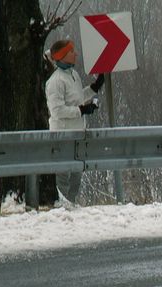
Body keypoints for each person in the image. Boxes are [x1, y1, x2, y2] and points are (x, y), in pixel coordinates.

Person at [45, 39, 105, 204]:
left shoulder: (73, 75)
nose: (76, 54)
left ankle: (71, 206)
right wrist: (82, 110)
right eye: (72, 52)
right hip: (62, 136)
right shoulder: (55, 82)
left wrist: (94, 88)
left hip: (77, 134)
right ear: (62, 56)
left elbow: (78, 98)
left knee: (76, 176)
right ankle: (61, 207)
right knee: (63, 176)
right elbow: (57, 111)